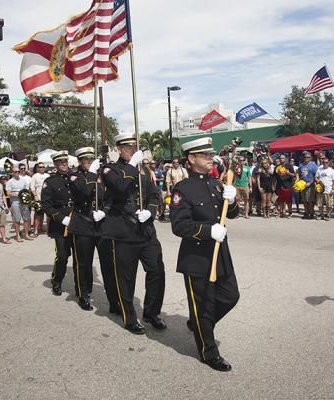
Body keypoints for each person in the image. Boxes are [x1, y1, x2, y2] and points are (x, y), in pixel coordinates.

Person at [170, 137, 239, 371]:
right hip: (197, 258)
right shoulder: (182, 189)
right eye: (205, 155)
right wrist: (209, 231)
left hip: (220, 254)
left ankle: (199, 323)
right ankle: (208, 352)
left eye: (211, 154)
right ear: (191, 159)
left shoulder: (216, 185)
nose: (211, 158)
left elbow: (232, 214)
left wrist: (233, 198)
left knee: (231, 296)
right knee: (203, 305)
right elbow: (179, 226)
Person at [101, 132, 166, 335]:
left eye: (133, 147)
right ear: (119, 149)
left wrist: (151, 210)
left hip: (145, 230)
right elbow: (120, 188)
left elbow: (155, 194)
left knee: (156, 271)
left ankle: (151, 312)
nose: (132, 150)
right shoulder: (109, 169)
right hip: (123, 231)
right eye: (128, 148)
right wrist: (132, 166)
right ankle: (129, 317)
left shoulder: (144, 170)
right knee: (126, 278)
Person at [68, 147, 118, 312]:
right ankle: (85, 295)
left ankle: (113, 300)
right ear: (79, 161)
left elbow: (112, 197)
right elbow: (84, 190)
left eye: (91, 159)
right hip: (83, 223)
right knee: (84, 264)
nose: (89, 162)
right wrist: (92, 173)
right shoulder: (74, 176)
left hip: (101, 224)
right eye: (86, 160)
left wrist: (105, 211)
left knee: (108, 264)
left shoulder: (101, 175)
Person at [41, 151, 75, 296]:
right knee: (62, 255)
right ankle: (56, 281)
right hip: (60, 224)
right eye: (60, 161)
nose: (64, 163)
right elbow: (46, 205)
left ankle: (81, 286)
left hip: (78, 222)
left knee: (81, 258)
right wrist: (62, 219)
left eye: (65, 161)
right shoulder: (50, 181)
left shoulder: (76, 177)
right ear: (55, 164)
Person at [6, 166, 34, 242]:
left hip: (24, 202)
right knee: (16, 220)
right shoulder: (10, 182)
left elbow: (27, 190)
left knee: (26, 218)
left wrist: (27, 197)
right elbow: (8, 193)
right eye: (15, 172)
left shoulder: (23, 180)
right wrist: (18, 195)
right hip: (15, 202)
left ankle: (26, 234)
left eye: (18, 171)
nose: (17, 173)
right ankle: (18, 236)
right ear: (12, 173)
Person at [30, 162, 49, 235]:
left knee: (48, 215)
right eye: (40, 167)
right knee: (38, 215)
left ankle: (47, 229)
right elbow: (32, 187)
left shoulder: (47, 175)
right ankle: (36, 230)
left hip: (47, 198)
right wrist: (35, 195)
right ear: (37, 168)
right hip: (38, 197)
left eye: (43, 167)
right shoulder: (35, 176)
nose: (42, 168)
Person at [298, 151, 318, 219]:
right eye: (305, 157)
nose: (306, 158)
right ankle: (306, 213)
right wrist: (297, 180)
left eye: (308, 157)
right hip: (302, 185)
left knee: (310, 200)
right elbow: (298, 173)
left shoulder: (313, 165)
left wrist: (310, 182)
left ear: (311, 158)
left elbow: (316, 176)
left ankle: (311, 213)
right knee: (304, 200)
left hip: (310, 186)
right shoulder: (301, 165)